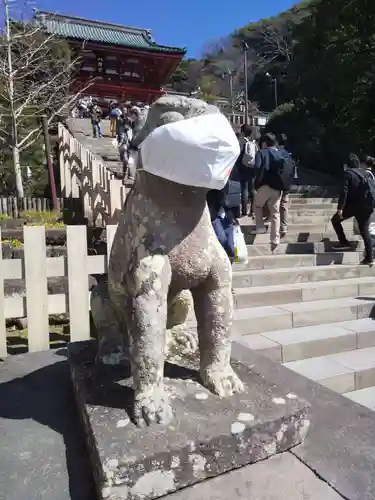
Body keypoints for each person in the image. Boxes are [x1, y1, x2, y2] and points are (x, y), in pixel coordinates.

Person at [252, 132, 294, 253]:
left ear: (264, 142)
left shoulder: (262, 152)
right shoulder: (280, 154)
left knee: (257, 205)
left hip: (265, 185)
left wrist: (257, 184)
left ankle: (260, 227)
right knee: (275, 212)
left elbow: (258, 168)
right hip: (278, 187)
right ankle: (275, 239)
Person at [331, 153, 374, 265]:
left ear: (346, 165)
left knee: (335, 220)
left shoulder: (348, 173)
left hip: (354, 206)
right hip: (367, 206)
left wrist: (340, 208)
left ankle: (343, 242)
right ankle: (369, 257)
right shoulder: (366, 173)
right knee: (364, 231)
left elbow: (344, 192)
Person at [237, 124, 259, 217]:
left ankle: (244, 210)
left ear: (242, 132)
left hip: (243, 168)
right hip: (253, 167)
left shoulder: (241, 142)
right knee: (252, 189)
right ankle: (253, 211)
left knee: (244, 189)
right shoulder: (254, 143)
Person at [277, 133, 293, 237]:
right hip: (287, 184)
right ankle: (283, 227)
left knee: (274, 205)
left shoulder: (277, 153)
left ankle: (271, 222)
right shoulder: (288, 154)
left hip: (277, 184)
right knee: (283, 205)